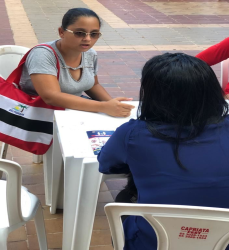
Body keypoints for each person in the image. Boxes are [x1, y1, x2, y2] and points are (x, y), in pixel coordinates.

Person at [98, 53, 229, 250]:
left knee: (125, 197)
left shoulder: (132, 134)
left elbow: (106, 165)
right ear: (210, 91)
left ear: (152, 94)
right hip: (223, 241)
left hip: (152, 243)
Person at [19, 8, 134, 117]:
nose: (88, 39)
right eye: (79, 33)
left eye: (94, 34)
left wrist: (114, 105)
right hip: (39, 115)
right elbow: (51, 97)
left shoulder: (90, 54)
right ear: (61, 32)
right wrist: (103, 106)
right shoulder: (43, 54)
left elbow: (93, 85)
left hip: (72, 111)